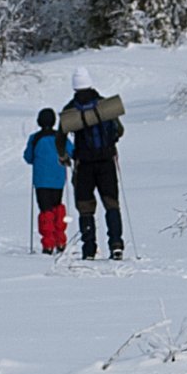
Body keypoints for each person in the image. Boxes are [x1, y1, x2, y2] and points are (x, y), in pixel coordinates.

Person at [63, 67, 125, 259]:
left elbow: (60, 137)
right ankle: (116, 244)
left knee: (85, 207)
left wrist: (64, 156)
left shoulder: (70, 110)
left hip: (84, 165)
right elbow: (119, 130)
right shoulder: (105, 106)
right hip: (106, 162)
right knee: (111, 204)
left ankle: (89, 249)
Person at [23, 107, 70, 254]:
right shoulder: (60, 137)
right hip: (58, 179)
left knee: (45, 210)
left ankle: (48, 243)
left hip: (41, 180)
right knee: (57, 208)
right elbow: (72, 151)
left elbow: (28, 157)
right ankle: (60, 240)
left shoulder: (35, 138)